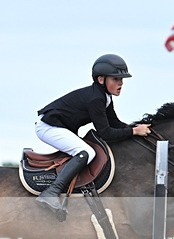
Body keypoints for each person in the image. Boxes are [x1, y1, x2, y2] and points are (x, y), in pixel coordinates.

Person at [35, 54, 151, 213]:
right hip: (48, 127)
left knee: (85, 151)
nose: (121, 83)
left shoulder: (105, 97)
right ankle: (51, 192)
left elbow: (115, 124)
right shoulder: (96, 99)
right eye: (116, 79)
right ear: (101, 79)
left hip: (58, 126)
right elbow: (106, 133)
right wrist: (133, 131)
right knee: (86, 152)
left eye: (122, 80)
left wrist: (137, 128)